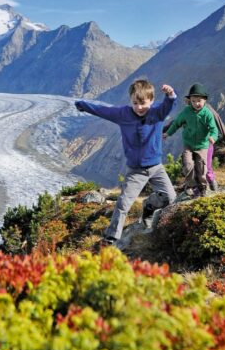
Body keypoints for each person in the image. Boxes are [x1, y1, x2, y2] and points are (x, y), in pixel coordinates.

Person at [75, 79, 177, 245]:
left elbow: (169, 105)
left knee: (171, 198)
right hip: (136, 170)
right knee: (123, 203)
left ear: (151, 100)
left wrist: (170, 95)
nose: (138, 107)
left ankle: (149, 206)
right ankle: (112, 236)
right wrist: (83, 105)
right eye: (135, 103)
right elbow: (103, 111)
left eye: (143, 103)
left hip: (156, 167)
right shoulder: (124, 114)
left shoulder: (157, 113)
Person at [164, 83, 218, 197]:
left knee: (201, 167)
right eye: (193, 101)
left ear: (204, 100)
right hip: (188, 144)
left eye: (199, 101)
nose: (196, 103)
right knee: (187, 163)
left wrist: (213, 136)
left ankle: (203, 187)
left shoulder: (207, 114)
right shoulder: (186, 112)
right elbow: (176, 123)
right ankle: (191, 185)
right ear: (190, 101)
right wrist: (168, 133)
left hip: (203, 145)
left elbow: (214, 128)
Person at [204, 103, 225, 191]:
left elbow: (221, 128)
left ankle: (211, 185)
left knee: (207, 167)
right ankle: (198, 187)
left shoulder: (208, 109)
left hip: (206, 143)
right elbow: (178, 121)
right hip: (192, 143)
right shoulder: (189, 110)